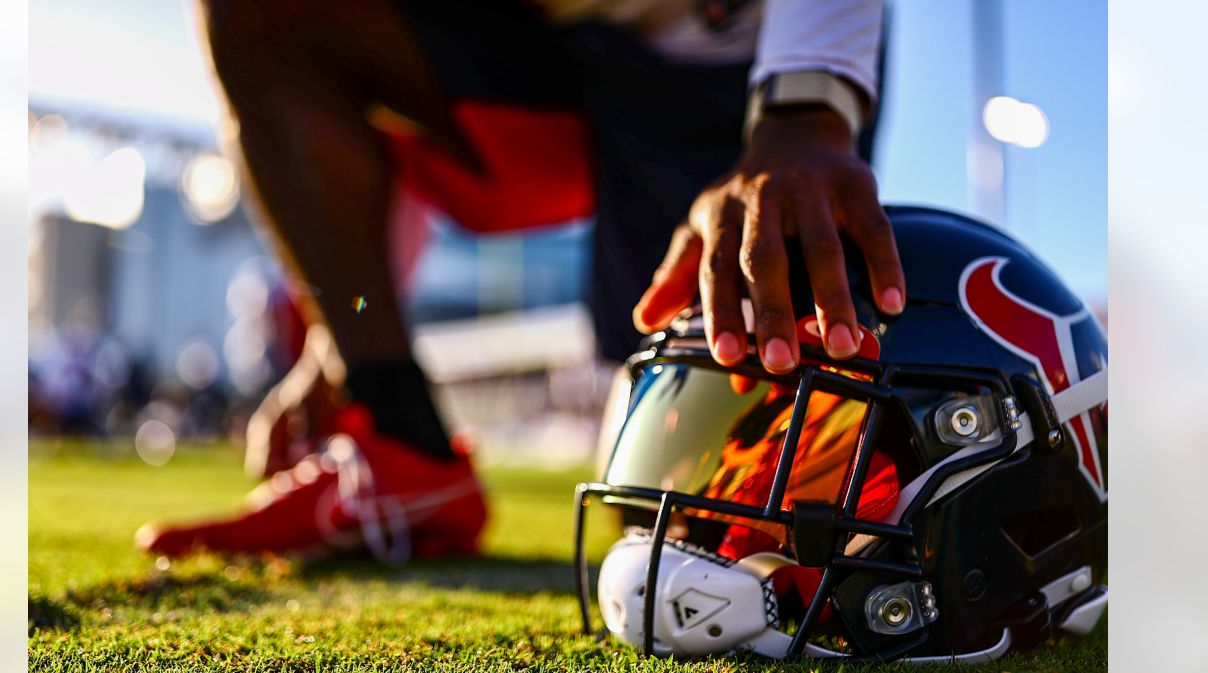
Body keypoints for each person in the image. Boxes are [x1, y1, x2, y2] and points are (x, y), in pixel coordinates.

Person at [136, 0, 906, 560]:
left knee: (696, 500)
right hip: (550, 54)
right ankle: (404, 443)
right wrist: (351, 345)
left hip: (737, 56)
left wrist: (808, 107)